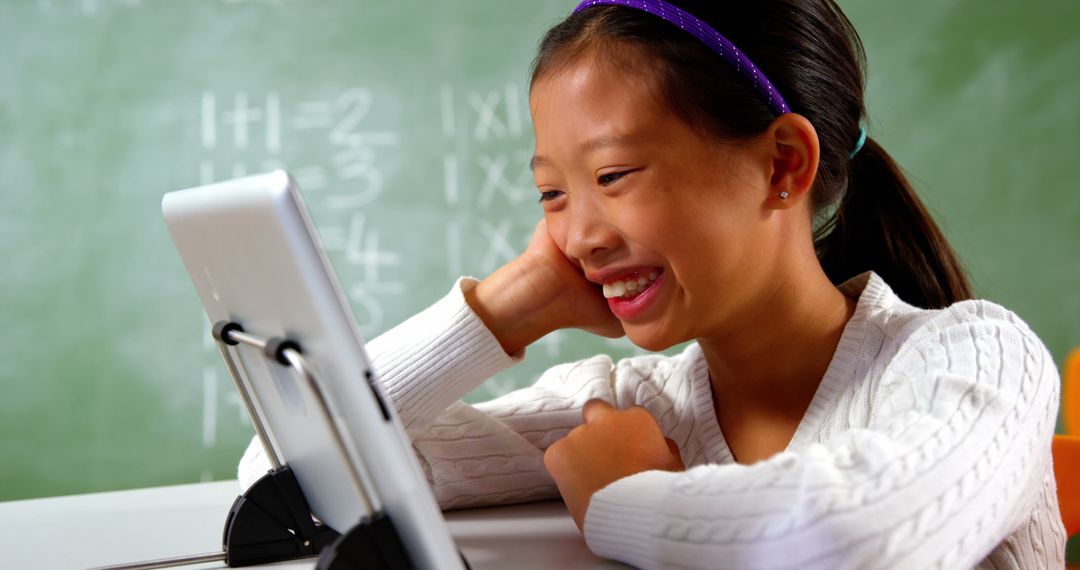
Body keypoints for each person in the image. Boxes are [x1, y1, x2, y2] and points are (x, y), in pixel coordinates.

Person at [240, 0, 1066, 567]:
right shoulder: (634, 402)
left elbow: (858, 540)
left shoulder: (973, 357)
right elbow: (296, 467)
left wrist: (628, 497)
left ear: (783, 164)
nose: (579, 235)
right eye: (552, 194)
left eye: (616, 173)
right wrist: (507, 305)